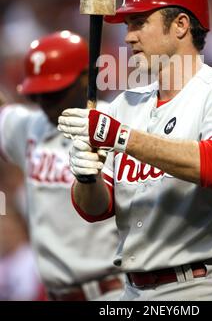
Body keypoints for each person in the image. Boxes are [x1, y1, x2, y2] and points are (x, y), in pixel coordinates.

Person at [58, 0, 212, 301]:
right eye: (127, 26)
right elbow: (96, 209)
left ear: (180, 25)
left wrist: (122, 137)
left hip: (200, 285)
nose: (128, 37)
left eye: (139, 22)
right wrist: (86, 177)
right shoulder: (125, 104)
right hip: (132, 291)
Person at [0, 31, 123, 301]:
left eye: (54, 92)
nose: (45, 103)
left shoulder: (117, 124)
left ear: (85, 79)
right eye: (37, 94)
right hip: (53, 294)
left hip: (112, 293)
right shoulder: (30, 126)